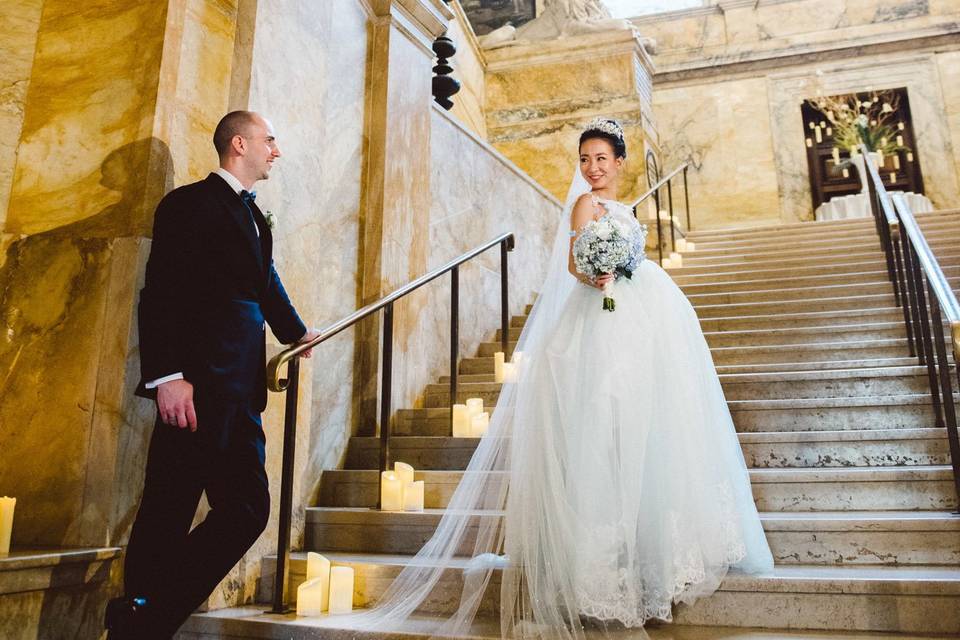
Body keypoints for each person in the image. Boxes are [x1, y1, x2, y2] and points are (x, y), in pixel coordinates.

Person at [356, 118, 773, 639]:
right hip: (598, 321)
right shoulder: (583, 205)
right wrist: (594, 270)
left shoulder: (625, 208)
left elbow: (628, 256)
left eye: (601, 159)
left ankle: (650, 566)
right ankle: (605, 575)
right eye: (584, 160)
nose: (592, 168)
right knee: (605, 429)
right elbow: (574, 262)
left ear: (619, 162)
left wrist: (620, 268)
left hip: (637, 313)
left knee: (649, 430)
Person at [105, 111, 320, 640]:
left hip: (241, 388)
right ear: (240, 143)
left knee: (247, 510)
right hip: (195, 386)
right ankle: (140, 621)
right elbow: (161, 292)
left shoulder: (252, 214)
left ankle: (144, 615)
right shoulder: (188, 204)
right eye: (270, 140)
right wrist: (169, 376)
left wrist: (295, 333)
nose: (276, 150)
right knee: (169, 507)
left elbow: (264, 279)